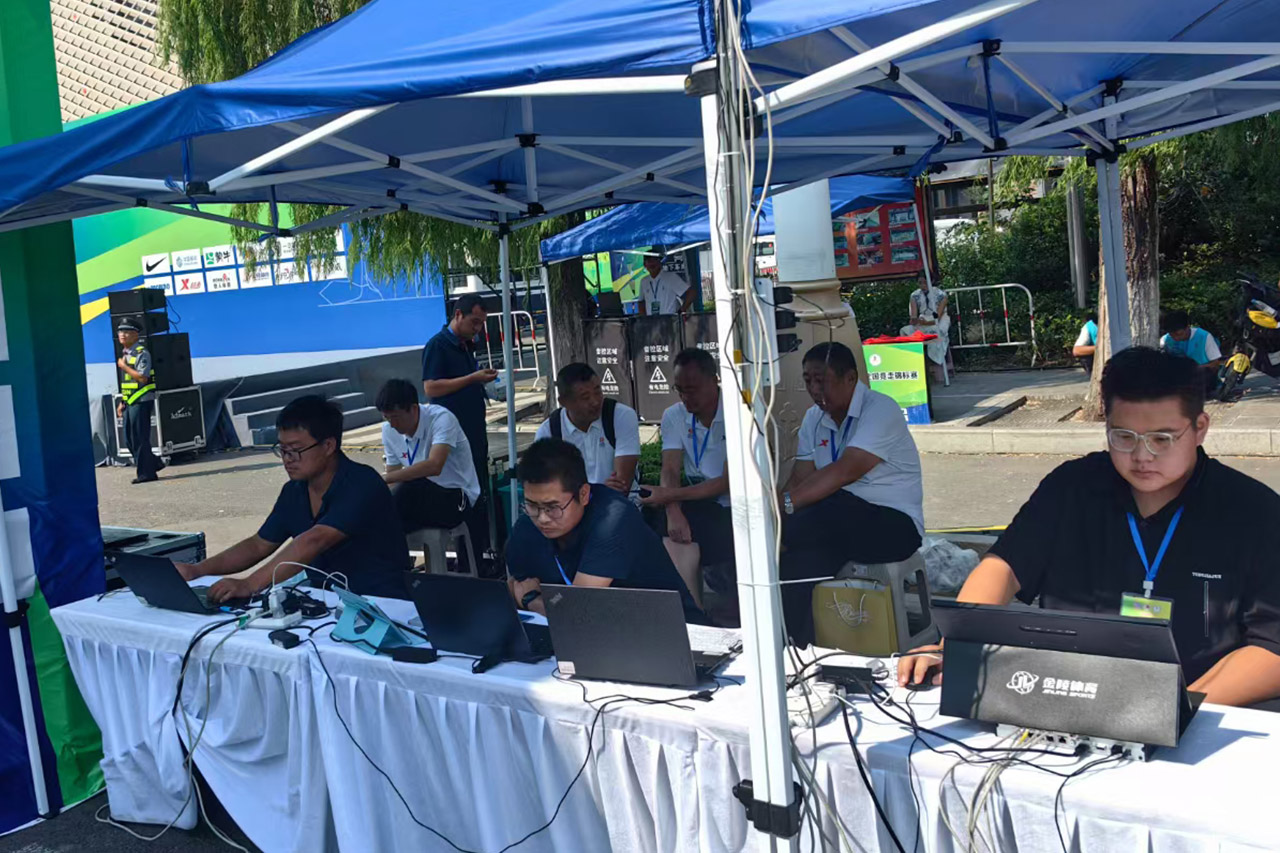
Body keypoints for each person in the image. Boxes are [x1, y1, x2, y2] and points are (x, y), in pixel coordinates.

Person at [898, 348, 1280, 709]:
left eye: (1161, 439)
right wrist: (955, 644)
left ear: (1199, 428)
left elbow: (1272, 647)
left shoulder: (1253, 511)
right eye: (1124, 437)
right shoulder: (1072, 488)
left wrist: (1179, 711)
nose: (1142, 456)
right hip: (1067, 695)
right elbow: (1005, 566)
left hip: (1201, 705)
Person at [177, 395, 410, 602]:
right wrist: (197, 570)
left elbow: (315, 539)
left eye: (296, 450)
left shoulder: (362, 483)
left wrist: (250, 584)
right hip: (324, 601)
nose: (287, 459)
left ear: (328, 446)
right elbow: (259, 544)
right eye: (283, 450)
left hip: (383, 603)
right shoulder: (294, 491)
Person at [779, 342, 925, 646]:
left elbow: (846, 471)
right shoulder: (813, 418)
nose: (814, 389)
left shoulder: (880, 408)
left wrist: (784, 509)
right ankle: (798, 648)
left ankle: (768, 538)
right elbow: (800, 477)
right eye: (808, 381)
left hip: (892, 525)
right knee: (795, 567)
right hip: (836, 527)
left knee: (831, 506)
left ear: (850, 378)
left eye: (822, 380)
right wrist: (775, 511)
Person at [506, 438, 702, 623]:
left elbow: (577, 611)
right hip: (599, 634)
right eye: (532, 505)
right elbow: (514, 589)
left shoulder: (614, 519)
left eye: (553, 507)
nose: (542, 518)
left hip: (670, 630)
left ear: (583, 494)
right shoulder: (527, 528)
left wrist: (532, 600)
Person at [640, 347, 733, 606]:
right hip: (696, 500)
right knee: (662, 524)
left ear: (714, 380)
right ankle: (692, 609)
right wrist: (673, 510)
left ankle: (699, 607)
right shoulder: (674, 415)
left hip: (733, 503)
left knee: (698, 530)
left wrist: (668, 495)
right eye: (679, 389)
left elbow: (728, 481)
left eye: (692, 389)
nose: (685, 397)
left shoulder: (736, 412)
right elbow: (670, 468)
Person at [422, 293, 497, 555]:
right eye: (474, 322)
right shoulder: (438, 345)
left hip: (474, 429)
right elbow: (431, 387)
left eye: (481, 323)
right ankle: (468, 556)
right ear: (458, 315)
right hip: (452, 434)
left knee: (479, 489)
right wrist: (472, 378)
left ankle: (482, 552)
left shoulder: (466, 345)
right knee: (463, 492)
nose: (478, 328)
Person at [377, 379, 481, 553]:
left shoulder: (441, 418)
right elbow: (393, 477)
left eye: (395, 417)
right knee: (384, 515)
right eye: (386, 418)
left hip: (456, 497)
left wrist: (384, 479)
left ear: (413, 409)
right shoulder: (388, 430)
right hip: (420, 500)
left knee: (410, 488)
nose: (392, 424)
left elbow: (434, 465)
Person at [534, 363, 641, 493]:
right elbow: (547, 485)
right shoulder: (548, 432)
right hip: (571, 504)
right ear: (564, 402)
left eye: (598, 392)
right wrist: (597, 493)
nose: (595, 401)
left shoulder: (621, 416)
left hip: (620, 501)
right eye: (585, 397)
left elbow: (623, 484)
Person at [115, 318, 162, 484]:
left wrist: (124, 367)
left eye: (126, 332)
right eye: (120, 332)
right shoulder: (125, 354)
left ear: (136, 335)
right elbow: (128, 383)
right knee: (129, 439)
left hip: (142, 400)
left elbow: (142, 378)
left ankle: (146, 473)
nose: (122, 335)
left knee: (139, 438)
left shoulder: (142, 353)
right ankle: (154, 463)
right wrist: (122, 402)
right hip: (130, 400)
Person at [1160, 309, 1222, 393]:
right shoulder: (1165, 340)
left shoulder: (1204, 337)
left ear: (1187, 327)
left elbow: (1215, 364)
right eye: (1172, 335)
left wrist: (1195, 369)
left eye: (1179, 334)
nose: (1176, 338)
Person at [900, 277, 950, 382]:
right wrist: (914, 320)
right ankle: (912, 363)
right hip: (923, 320)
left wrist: (927, 322)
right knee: (904, 331)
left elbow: (938, 316)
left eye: (925, 282)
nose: (923, 285)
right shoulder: (914, 295)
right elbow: (913, 314)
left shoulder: (941, 294)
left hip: (939, 320)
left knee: (936, 336)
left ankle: (937, 368)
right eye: (920, 283)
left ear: (931, 281)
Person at [636, 251, 694, 316]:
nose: (652, 263)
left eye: (654, 260)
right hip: (652, 320)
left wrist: (681, 311)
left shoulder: (670, 277)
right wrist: (644, 318)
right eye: (649, 261)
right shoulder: (644, 281)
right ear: (645, 265)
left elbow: (691, 293)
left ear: (660, 263)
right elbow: (641, 302)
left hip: (669, 319)